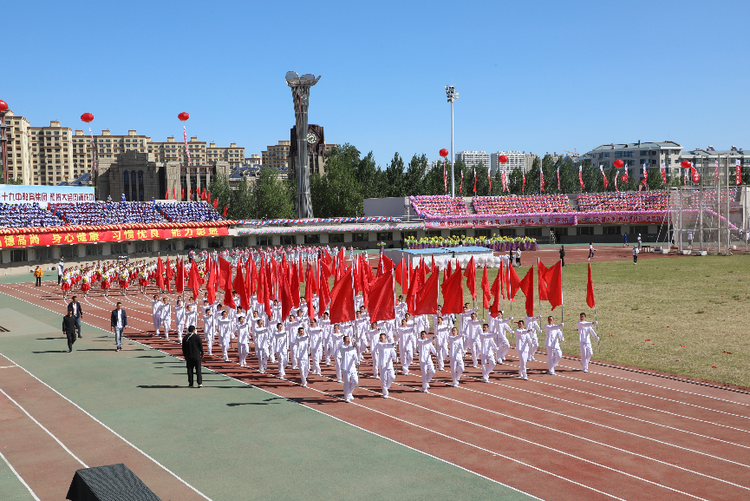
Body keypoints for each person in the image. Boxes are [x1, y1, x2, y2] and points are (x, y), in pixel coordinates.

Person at [337, 335, 359, 403]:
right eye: (346, 339)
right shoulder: (342, 347)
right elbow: (347, 349)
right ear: (343, 341)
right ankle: (346, 397)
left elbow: (355, 355)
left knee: (355, 381)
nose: (348, 340)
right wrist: (353, 346)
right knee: (346, 383)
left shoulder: (353, 348)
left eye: (349, 339)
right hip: (345, 368)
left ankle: (349, 393)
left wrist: (357, 361)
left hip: (352, 368)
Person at [375, 333, 397, 398]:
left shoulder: (389, 346)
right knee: (383, 379)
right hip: (382, 364)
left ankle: (387, 387)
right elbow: (385, 346)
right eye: (380, 338)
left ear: (385, 338)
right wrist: (392, 344)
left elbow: (393, 352)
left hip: (389, 364)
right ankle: (385, 393)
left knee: (392, 377)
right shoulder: (379, 344)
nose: (381, 339)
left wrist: (396, 358)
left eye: (382, 338)